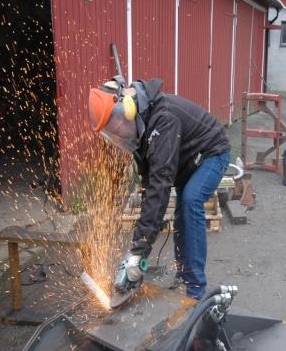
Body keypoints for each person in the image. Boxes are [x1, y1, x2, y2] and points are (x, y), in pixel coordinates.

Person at [88, 76, 230, 299]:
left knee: (191, 201)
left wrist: (141, 247)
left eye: (116, 124)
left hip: (211, 153)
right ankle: (184, 274)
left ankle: (196, 291)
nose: (118, 133)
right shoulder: (141, 127)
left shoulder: (163, 120)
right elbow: (149, 185)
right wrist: (138, 246)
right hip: (187, 160)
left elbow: (160, 182)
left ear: (127, 107)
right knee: (182, 212)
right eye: (112, 131)